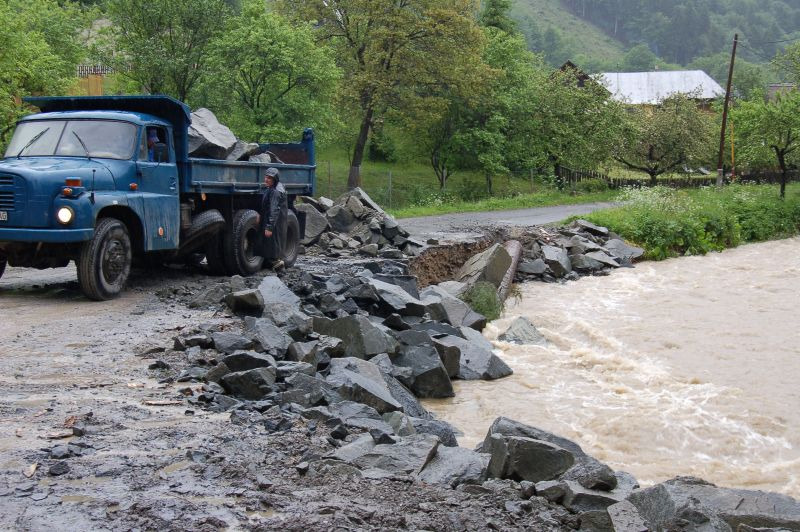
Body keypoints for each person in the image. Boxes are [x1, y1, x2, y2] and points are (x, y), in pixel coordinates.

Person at [259, 167, 288, 270]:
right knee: (274, 247)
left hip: (275, 223)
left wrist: (269, 227)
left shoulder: (275, 191)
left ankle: (280, 270)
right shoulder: (274, 187)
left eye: (269, 178)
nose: (266, 179)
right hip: (276, 222)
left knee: (273, 248)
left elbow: (274, 210)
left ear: (274, 179)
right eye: (266, 177)